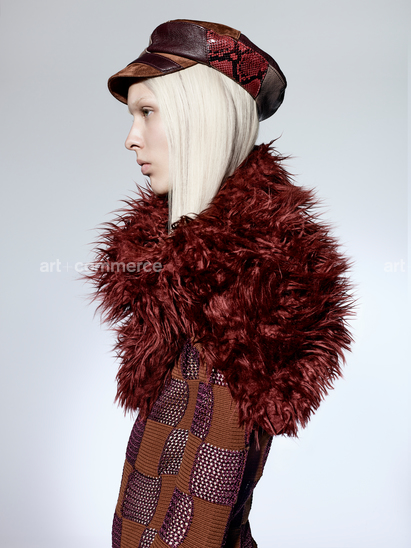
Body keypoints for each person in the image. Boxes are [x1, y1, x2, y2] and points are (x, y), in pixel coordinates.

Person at [88, 19, 354, 548]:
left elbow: (196, 518)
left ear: (201, 117)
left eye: (147, 112)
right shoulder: (184, 279)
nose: (131, 138)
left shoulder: (246, 292)